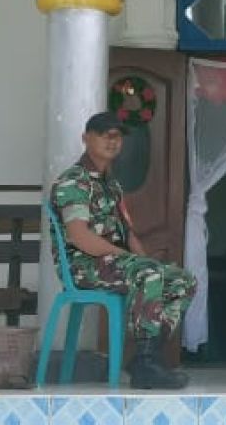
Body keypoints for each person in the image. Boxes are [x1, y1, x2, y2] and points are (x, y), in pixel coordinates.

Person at [50, 112, 198, 390]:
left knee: (182, 280)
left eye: (117, 136)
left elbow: (128, 233)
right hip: (84, 266)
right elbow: (80, 237)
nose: (112, 140)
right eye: (104, 134)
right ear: (85, 138)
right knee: (150, 273)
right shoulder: (73, 181)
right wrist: (131, 261)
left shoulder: (112, 185)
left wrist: (142, 260)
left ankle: (148, 355)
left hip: (113, 264)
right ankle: (145, 362)